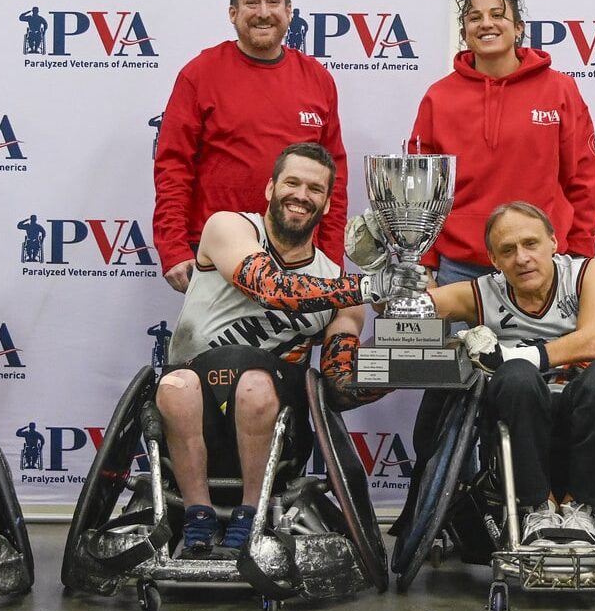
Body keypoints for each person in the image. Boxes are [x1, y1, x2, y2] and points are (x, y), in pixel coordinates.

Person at [160, 143, 423, 557]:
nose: (301, 194)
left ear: (327, 203)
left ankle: (252, 513)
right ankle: (197, 515)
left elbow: (339, 384)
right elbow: (269, 287)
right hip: (198, 393)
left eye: (314, 189)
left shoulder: (340, 289)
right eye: (292, 182)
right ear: (270, 188)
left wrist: (415, 351)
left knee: (253, 386)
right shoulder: (229, 227)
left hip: (276, 415)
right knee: (175, 386)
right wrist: (370, 286)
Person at [351, 201, 595, 545]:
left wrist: (507, 354)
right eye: (507, 250)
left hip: (586, 399)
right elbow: (406, 310)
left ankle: (581, 511)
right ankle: (539, 509)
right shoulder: (482, 291)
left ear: (554, 242)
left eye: (531, 243)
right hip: (519, 405)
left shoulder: (589, 272)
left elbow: (593, 341)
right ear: (493, 260)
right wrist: (382, 271)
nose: (521, 258)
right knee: (517, 377)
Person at [400, 0, 595, 286]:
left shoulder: (560, 90)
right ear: (465, 32)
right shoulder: (438, 97)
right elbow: (420, 188)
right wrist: (423, 262)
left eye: (497, 15)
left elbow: (583, 178)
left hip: (538, 264)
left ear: (518, 28)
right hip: (460, 268)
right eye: (474, 17)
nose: (486, 24)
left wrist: (578, 253)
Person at [154, 0, 347, 292]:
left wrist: (329, 258)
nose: (263, 13)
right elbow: (173, 166)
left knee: (293, 346)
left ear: (288, 11)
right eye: (251, 3)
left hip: (297, 260)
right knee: (219, 347)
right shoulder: (200, 74)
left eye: (273, 2)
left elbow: (333, 180)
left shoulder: (317, 80)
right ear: (233, 12)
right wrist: (172, 246)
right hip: (219, 262)